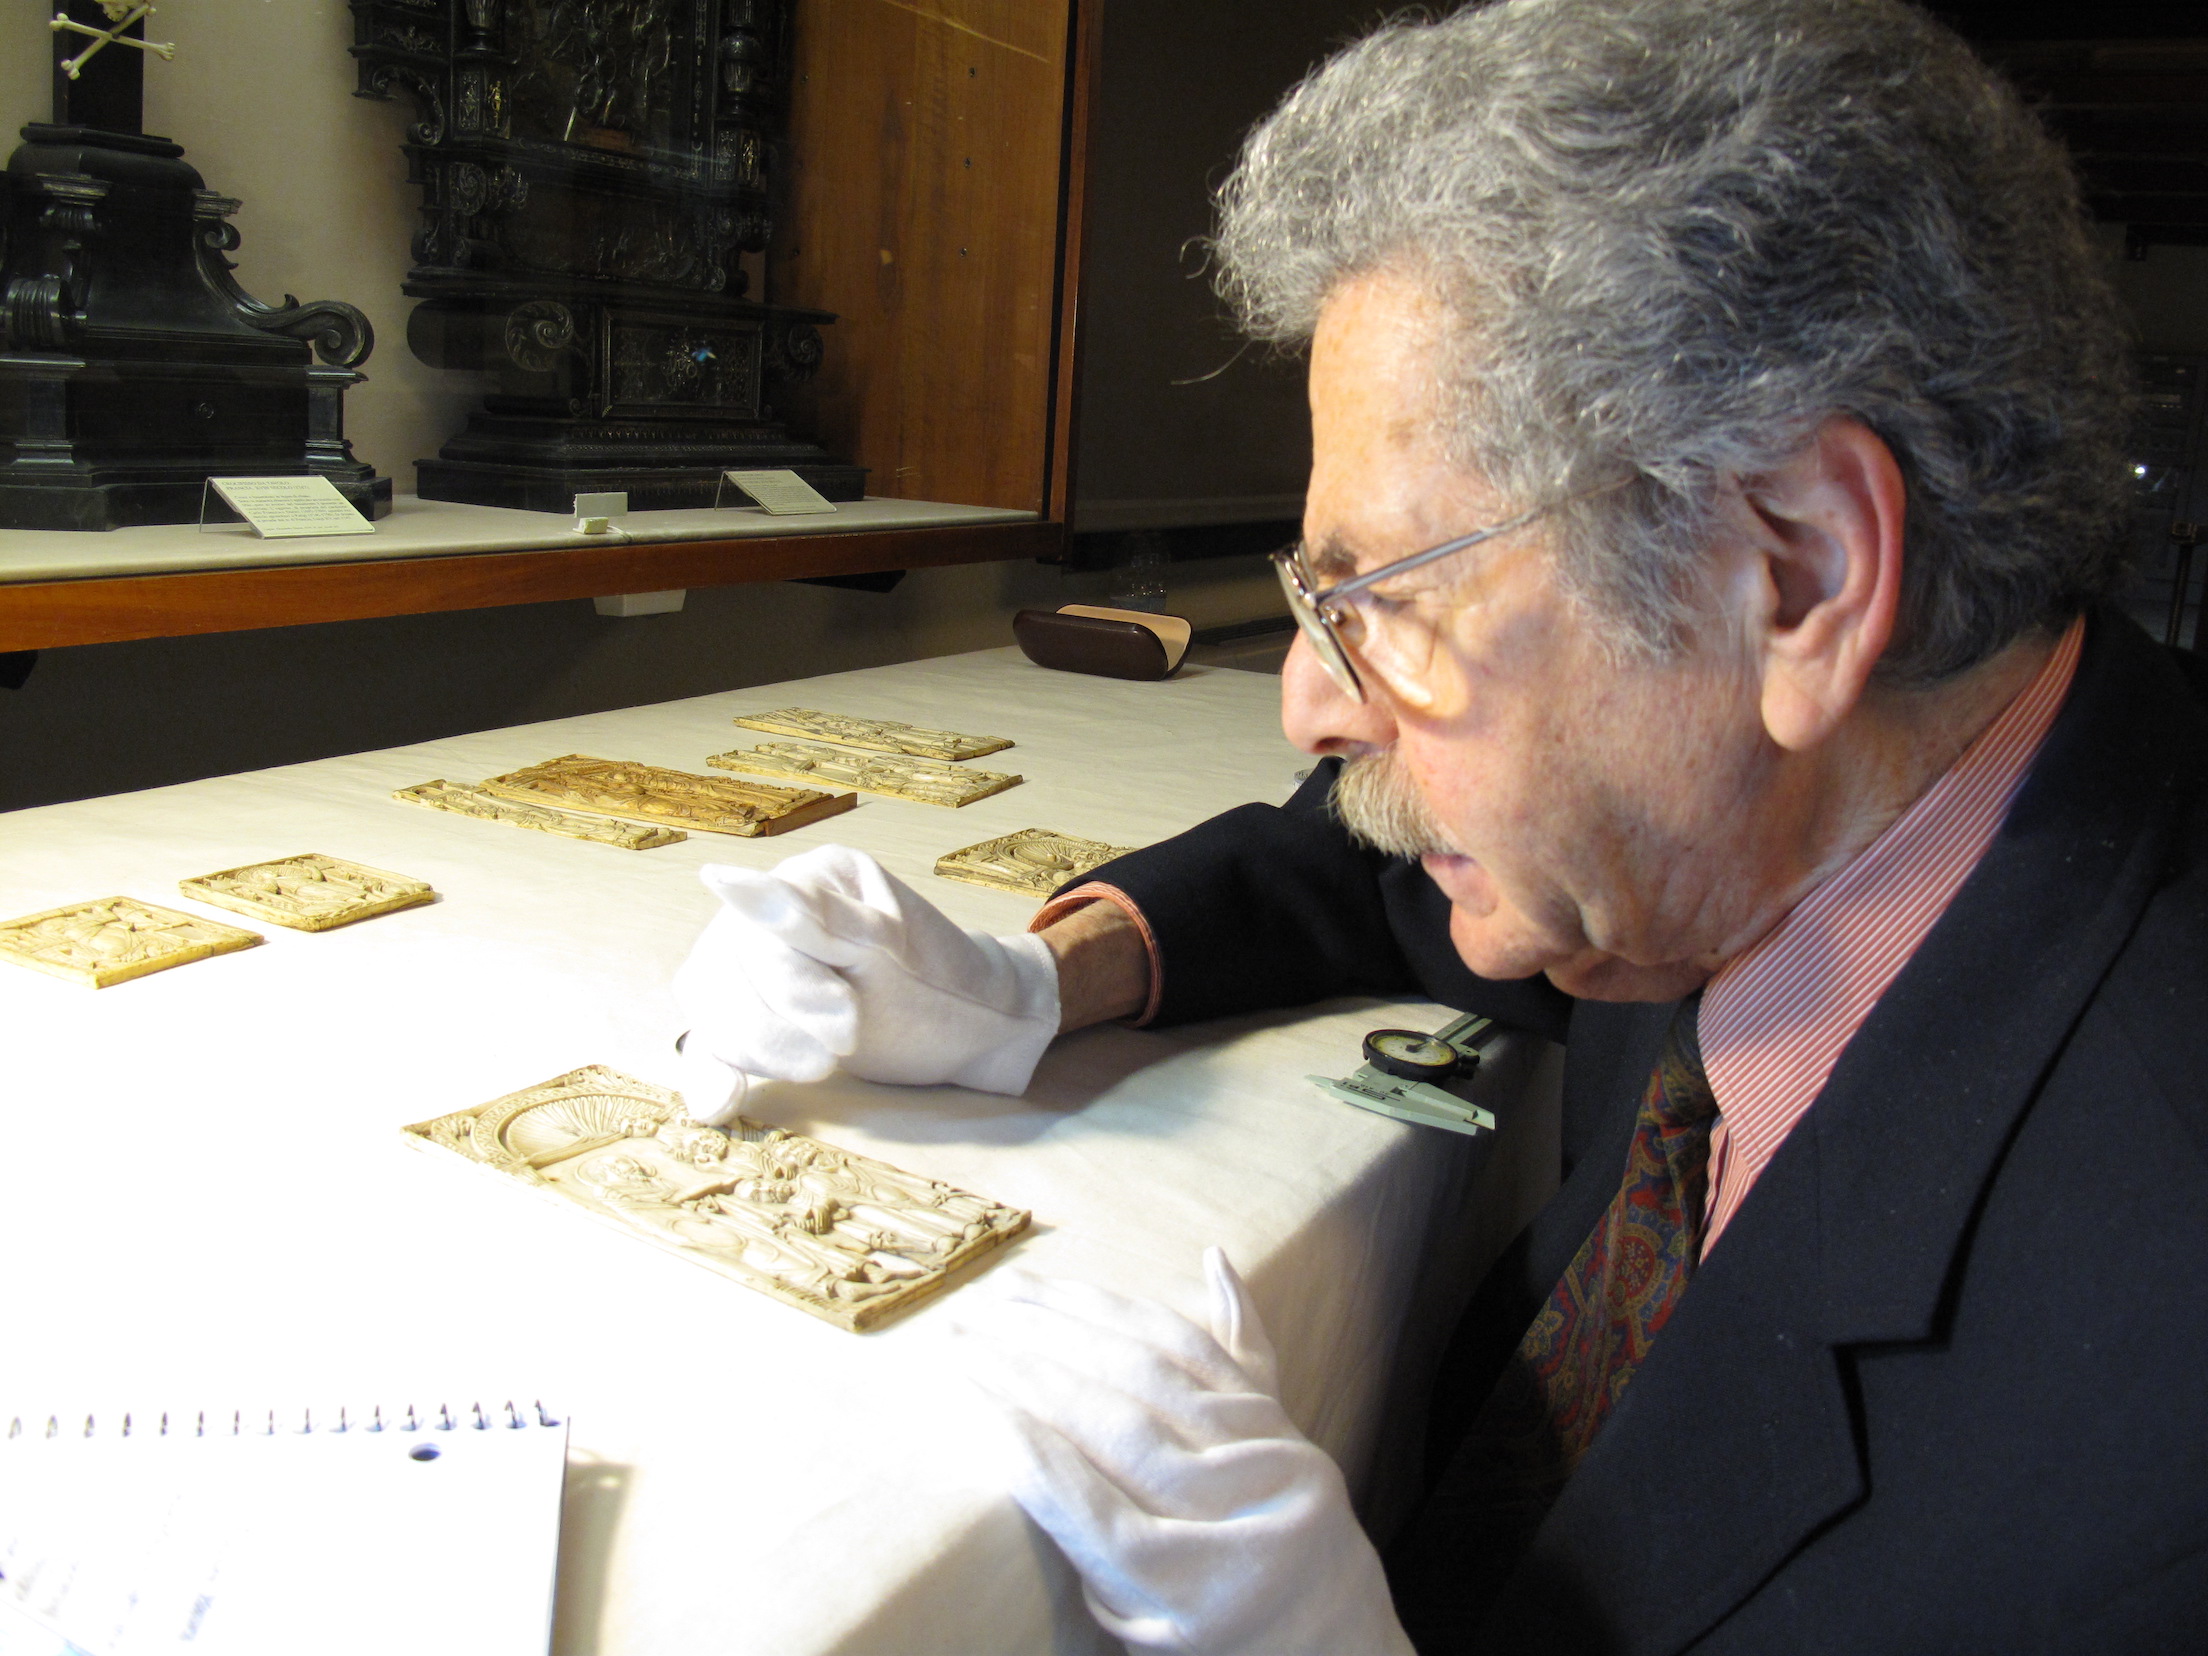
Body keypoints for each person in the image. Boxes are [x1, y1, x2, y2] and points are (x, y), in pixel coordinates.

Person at [673, 0, 2208, 1648]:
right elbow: (1379, 870)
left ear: (1800, 575)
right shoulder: (1780, 823)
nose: (1313, 710)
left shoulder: (2153, 1418)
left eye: (1388, 601)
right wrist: (1044, 979)